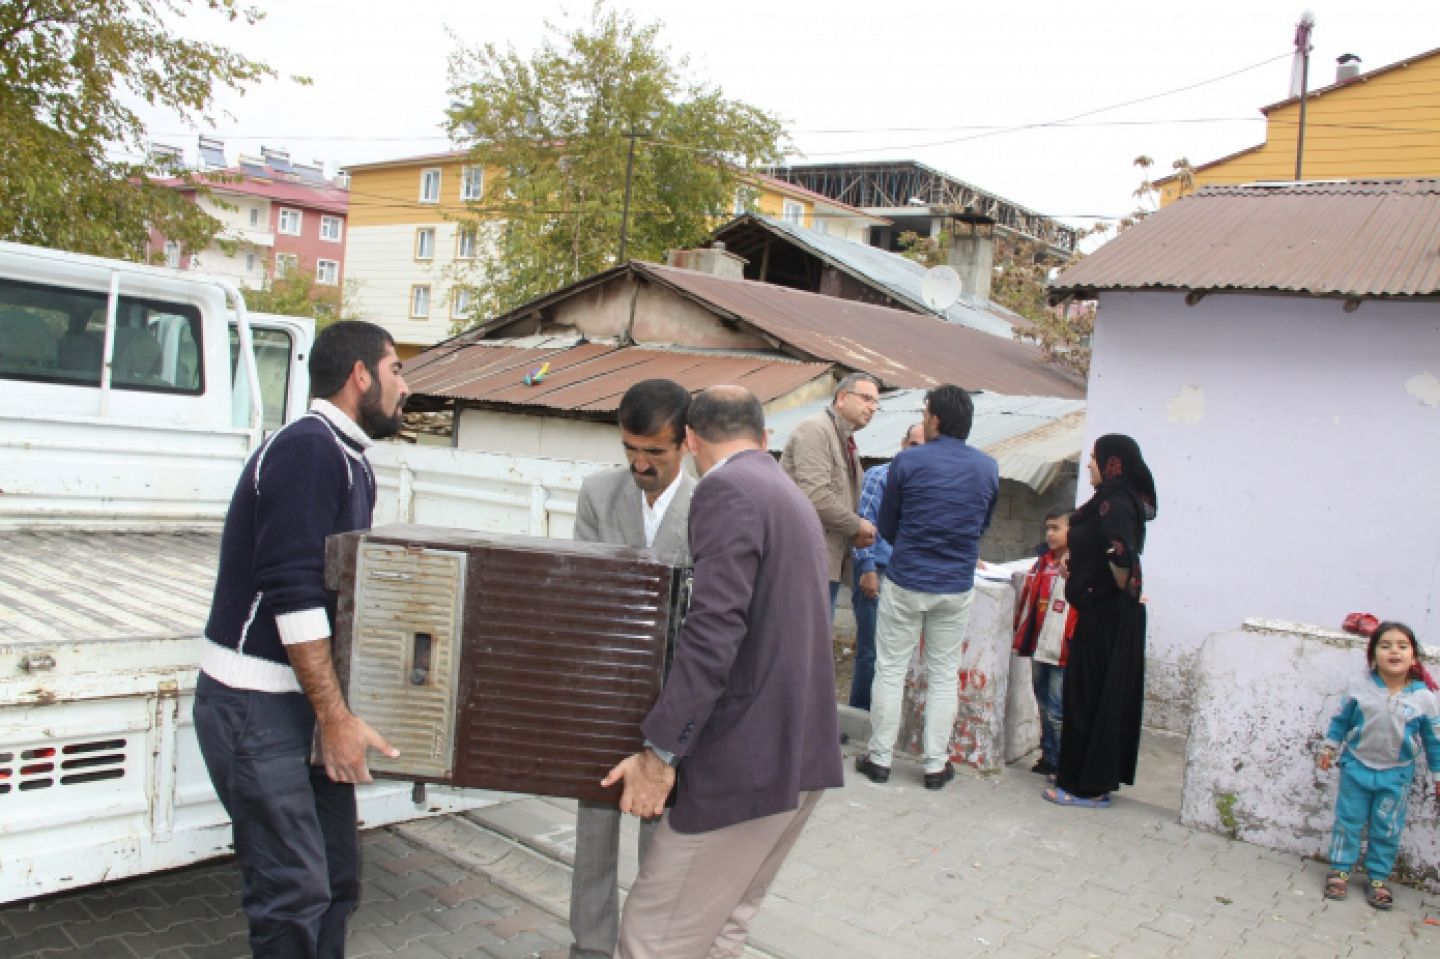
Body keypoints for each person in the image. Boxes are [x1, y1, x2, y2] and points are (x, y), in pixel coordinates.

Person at [603, 385, 844, 959]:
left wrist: (659, 755)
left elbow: (713, 632)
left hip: (745, 765)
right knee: (722, 929)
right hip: (798, 758)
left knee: (653, 936)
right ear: (764, 437)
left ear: (689, 438)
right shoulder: (785, 491)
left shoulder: (727, 489)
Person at [193, 320, 408, 957]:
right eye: (397, 369)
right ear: (360, 375)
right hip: (256, 709)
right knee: (292, 894)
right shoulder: (308, 450)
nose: (406, 386)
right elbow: (292, 589)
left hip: (303, 709)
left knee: (336, 881)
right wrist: (335, 716)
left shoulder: (351, 461)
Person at [568, 379, 696, 959]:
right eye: (631, 450)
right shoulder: (598, 494)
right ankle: (590, 945)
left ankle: (646, 947)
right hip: (603, 688)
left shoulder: (709, 506)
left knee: (659, 835)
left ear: (686, 443)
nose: (641, 464)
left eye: (655, 453)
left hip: (673, 696)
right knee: (593, 827)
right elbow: (586, 589)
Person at [857, 385, 998, 790]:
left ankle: (880, 759)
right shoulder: (988, 467)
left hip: (907, 579)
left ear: (934, 419)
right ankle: (936, 766)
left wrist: (915, 543)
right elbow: (982, 524)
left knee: (890, 669)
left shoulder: (908, 462)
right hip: (955, 584)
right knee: (942, 673)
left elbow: (887, 524)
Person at [1044, 433, 1156, 809]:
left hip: (1105, 617)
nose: (1089, 464)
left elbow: (1122, 558)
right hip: (1098, 613)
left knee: (1090, 697)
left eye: (1095, 458)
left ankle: (1088, 787)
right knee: (1084, 694)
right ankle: (1077, 775)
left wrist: (1110, 593)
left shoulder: (1116, 505)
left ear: (1112, 464)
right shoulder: (1105, 503)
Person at [1317, 622, 1440, 910]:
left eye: (1402, 646)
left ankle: (1377, 878)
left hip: (1396, 774)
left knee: (1387, 827)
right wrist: (1329, 748)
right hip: (1356, 767)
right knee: (1349, 821)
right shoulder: (1360, 687)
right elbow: (1341, 721)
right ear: (1373, 656)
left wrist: (1438, 775)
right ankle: (1340, 870)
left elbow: (1434, 741)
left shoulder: (1424, 699)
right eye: (1385, 646)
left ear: (1414, 658)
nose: (1393, 651)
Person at [780, 372, 880, 613]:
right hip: (803, 559)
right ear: (843, 398)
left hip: (827, 560)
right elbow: (814, 495)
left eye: (876, 402)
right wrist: (857, 526)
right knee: (801, 642)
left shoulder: (846, 440)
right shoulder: (816, 430)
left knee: (815, 643)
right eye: (866, 398)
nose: (872, 408)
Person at [850, 422, 924, 710]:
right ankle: (861, 715)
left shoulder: (926, 484)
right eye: (914, 445)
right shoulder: (881, 475)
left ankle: (885, 718)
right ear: (903, 445)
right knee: (872, 649)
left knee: (898, 654)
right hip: (877, 571)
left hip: (908, 576)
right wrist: (867, 568)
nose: (919, 452)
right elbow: (863, 522)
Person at [1012, 510, 1078, 777]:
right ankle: (1048, 756)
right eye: (1048, 528)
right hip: (1040, 643)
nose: (1050, 534)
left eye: (1056, 528)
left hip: (1062, 648)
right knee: (1041, 702)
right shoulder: (1042, 563)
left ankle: (1064, 762)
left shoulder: (1078, 566)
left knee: (1057, 709)